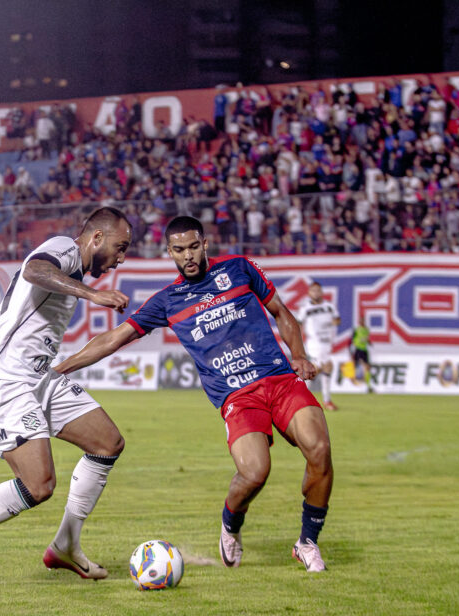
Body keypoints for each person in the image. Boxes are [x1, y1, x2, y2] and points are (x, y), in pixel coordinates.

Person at [54, 216, 333, 572]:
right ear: (169, 252)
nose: (188, 255)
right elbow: (115, 338)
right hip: (237, 397)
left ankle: (307, 542)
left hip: (279, 379)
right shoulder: (168, 301)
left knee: (319, 450)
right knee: (255, 473)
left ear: (205, 244)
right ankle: (230, 524)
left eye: (194, 246)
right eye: (179, 249)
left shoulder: (239, 269)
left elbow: (281, 312)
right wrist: (60, 368)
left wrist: (299, 355)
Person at [0, 207, 133, 591]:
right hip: (6, 379)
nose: (122, 258)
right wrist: (92, 294)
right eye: (120, 247)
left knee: (107, 443)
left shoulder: (76, 265)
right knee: (39, 485)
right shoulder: (64, 249)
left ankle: (66, 545)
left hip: (40, 377)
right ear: (96, 238)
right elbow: (34, 270)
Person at [295, 281, 341, 411]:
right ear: (309, 293)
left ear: (321, 292)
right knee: (322, 367)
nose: (316, 293)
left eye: (318, 290)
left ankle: (306, 396)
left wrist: (331, 322)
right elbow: (298, 324)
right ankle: (303, 397)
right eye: (313, 290)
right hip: (315, 343)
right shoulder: (305, 309)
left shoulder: (329, 306)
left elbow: (337, 320)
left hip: (327, 342)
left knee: (324, 368)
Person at [350, 316, 372, 392]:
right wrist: (354, 346)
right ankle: (354, 382)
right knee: (357, 365)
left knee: (367, 367)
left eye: (362, 321)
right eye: (360, 321)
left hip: (364, 350)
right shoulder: (356, 329)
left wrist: (369, 342)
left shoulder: (366, 329)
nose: (361, 322)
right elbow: (352, 339)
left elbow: (366, 338)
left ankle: (368, 386)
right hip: (358, 349)